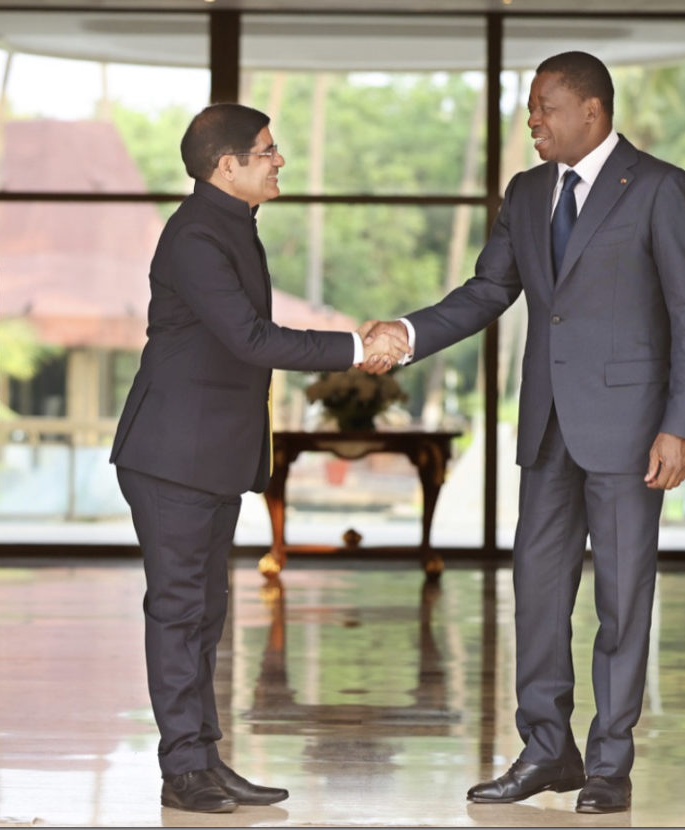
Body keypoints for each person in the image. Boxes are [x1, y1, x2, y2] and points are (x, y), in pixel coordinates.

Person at [366, 51, 685, 813]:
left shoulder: (661, 188)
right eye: (530, 108)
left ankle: (610, 764)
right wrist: (407, 333)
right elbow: (488, 290)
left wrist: (681, 425)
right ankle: (546, 750)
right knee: (537, 591)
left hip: (632, 430)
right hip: (548, 427)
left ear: (591, 111)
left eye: (544, 107)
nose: (532, 121)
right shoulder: (527, 193)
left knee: (622, 600)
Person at [110, 102, 408, 814]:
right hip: (173, 456)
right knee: (180, 613)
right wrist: (356, 348)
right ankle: (183, 770)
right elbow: (251, 338)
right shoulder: (195, 236)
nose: (279, 161)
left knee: (204, 614)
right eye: (268, 151)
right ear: (227, 166)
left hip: (204, 456)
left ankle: (203, 760)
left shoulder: (230, 225)